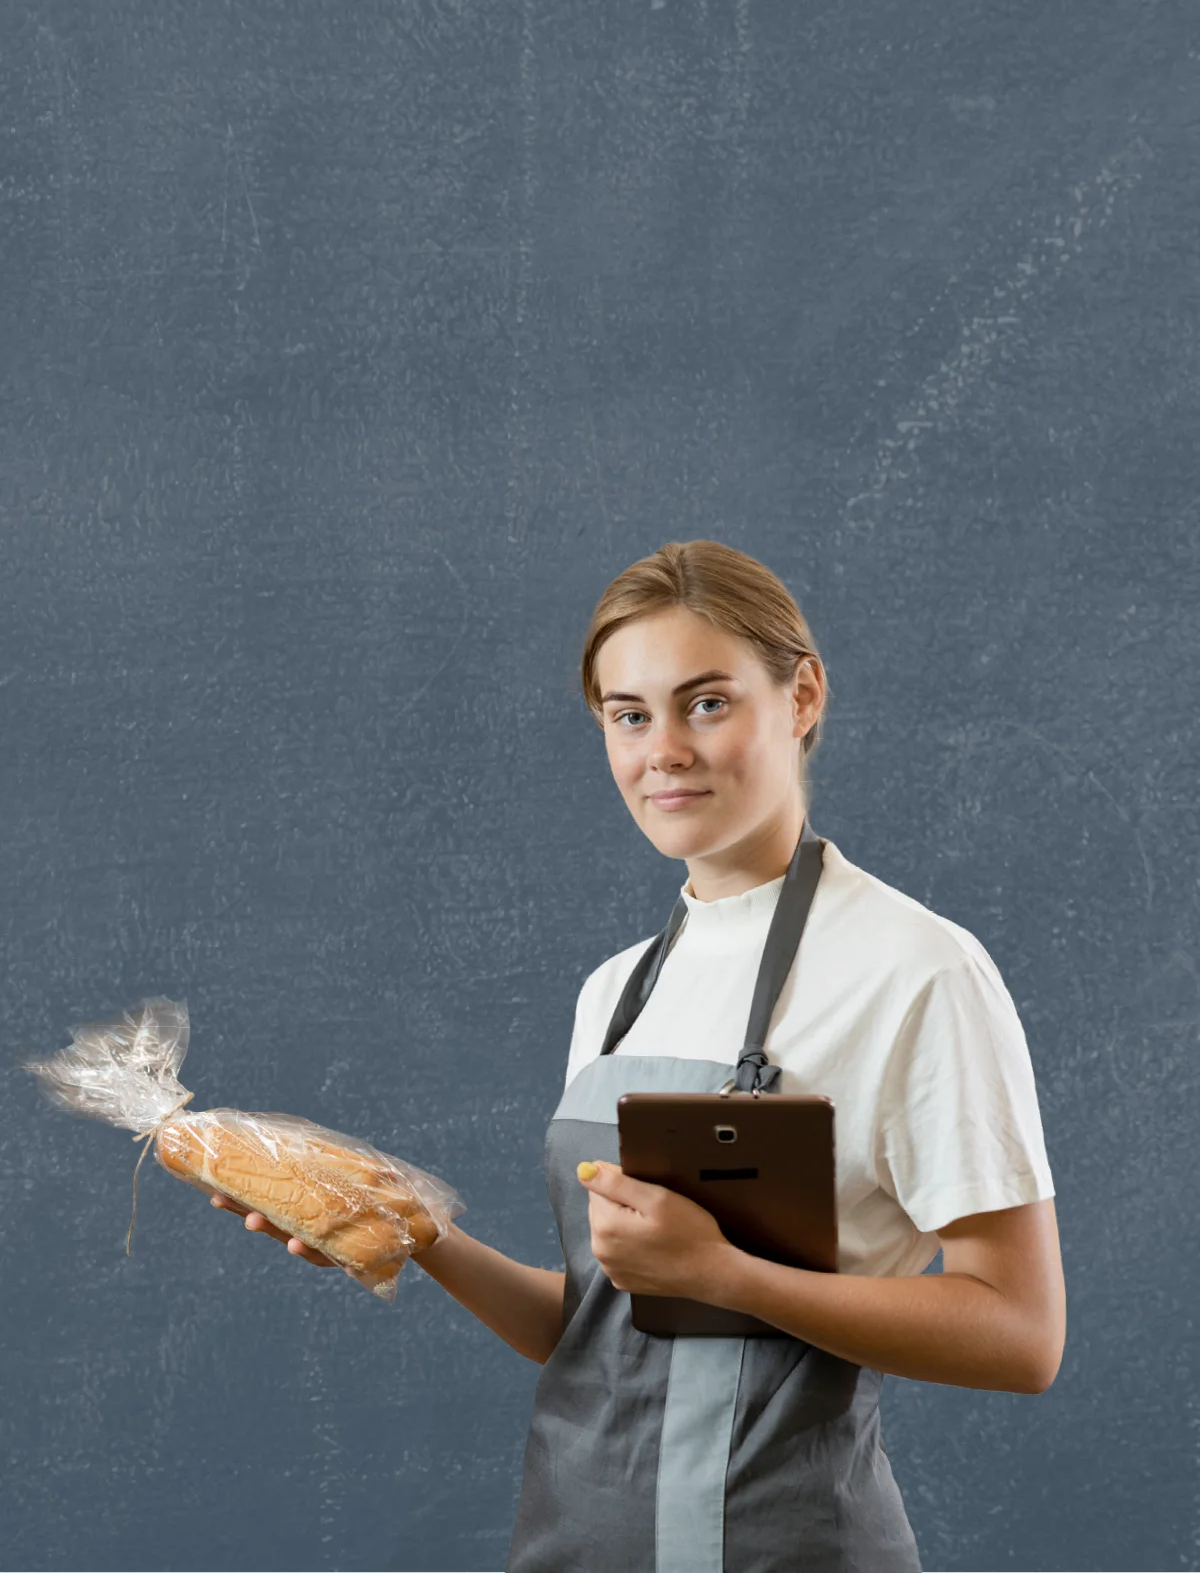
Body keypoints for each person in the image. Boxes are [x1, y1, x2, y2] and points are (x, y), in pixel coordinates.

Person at [211, 538, 1065, 1572]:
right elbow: (605, 1333)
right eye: (628, 714)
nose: (662, 748)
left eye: (705, 702)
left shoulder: (915, 970)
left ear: (801, 697)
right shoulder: (617, 991)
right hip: (576, 1547)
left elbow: (1021, 1333)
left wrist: (729, 1273)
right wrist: (414, 1229)